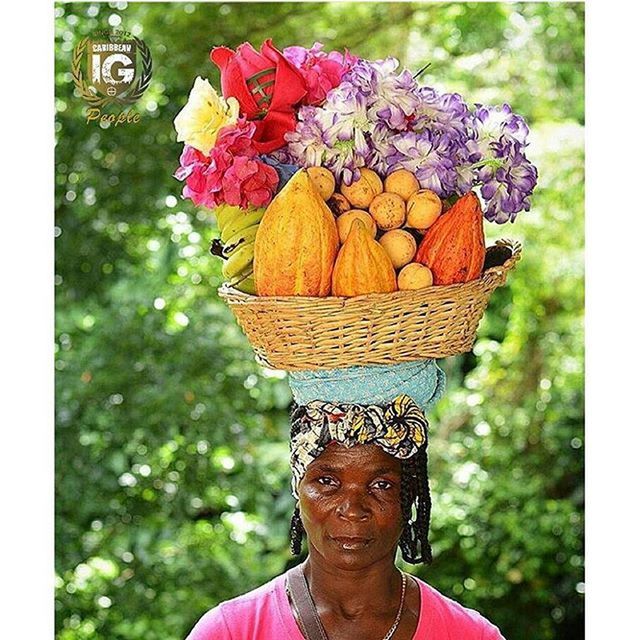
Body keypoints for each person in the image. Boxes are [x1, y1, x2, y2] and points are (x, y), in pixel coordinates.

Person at [185, 386, 506, 640]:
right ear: (299, 491)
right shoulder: (232, 631)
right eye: (327, 482)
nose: (353, 510)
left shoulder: (469, 634)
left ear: (410, 498)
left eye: (381, 485)